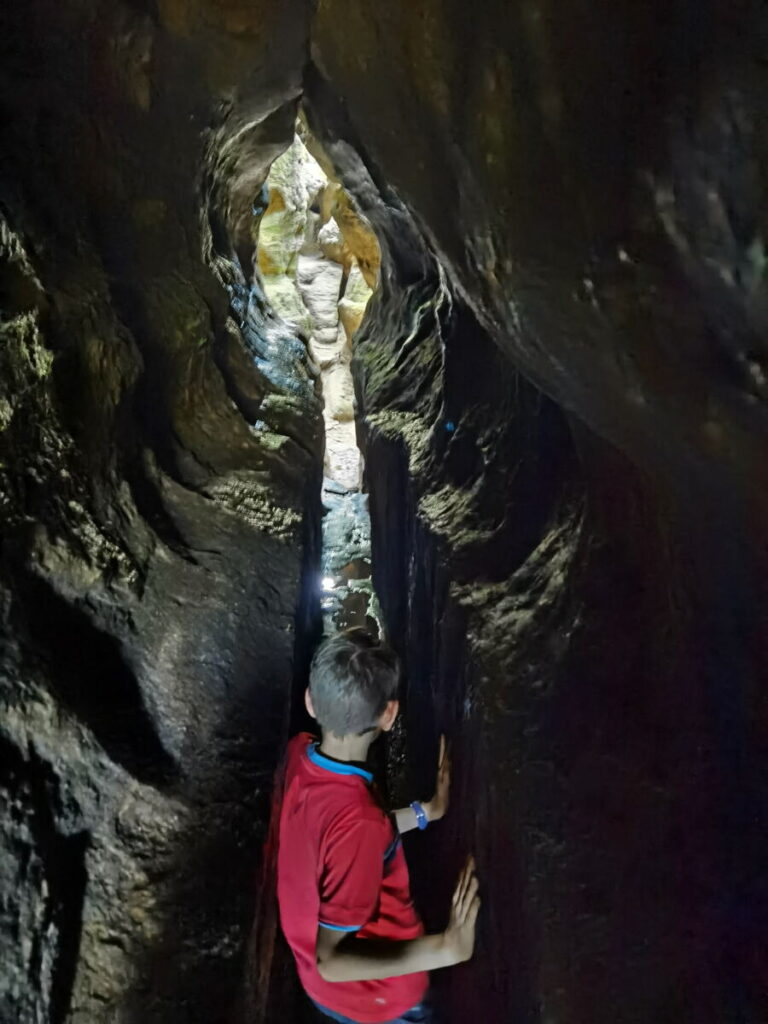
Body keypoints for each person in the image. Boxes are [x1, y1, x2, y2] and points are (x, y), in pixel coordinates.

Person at [276, 627, 480, 1024]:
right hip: (378, 1001)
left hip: (323, 991)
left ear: (311, 702)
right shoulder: (360, 820)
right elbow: (332, 960)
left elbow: (347, 836)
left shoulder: (299, 754)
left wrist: (427, 812)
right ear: (389, 715)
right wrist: (446, 948)